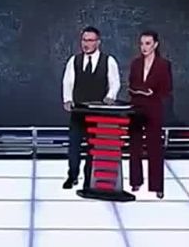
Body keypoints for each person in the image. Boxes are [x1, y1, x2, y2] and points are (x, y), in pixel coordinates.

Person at [61, 26, 121, 189]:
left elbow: (115, 83)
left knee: (93, 148)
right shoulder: (74, 60)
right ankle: (72, 176)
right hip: (78, 112)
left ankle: (89, 179)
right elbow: (68, 82)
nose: (86, 44)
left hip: (98, 113)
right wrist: (67, 99)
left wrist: (110, 96)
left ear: (98, 42)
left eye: (90, 40)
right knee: (74, 146)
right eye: (84, 40)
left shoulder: (108, 61)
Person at [128, 30, 172, 199]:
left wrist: (153, 93)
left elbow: (167, 89)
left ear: (155, 45)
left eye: (147, 43)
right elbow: (131, 85)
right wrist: (137, 91)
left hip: (153, 108)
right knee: (135, 146)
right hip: (136, 108)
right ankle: (135, 181)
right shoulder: (135, 63)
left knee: (155, 148)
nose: (144, 47)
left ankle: (157, 186)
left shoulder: (163, 64)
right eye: (142, 44)